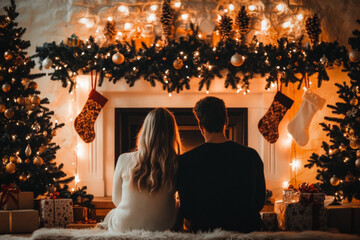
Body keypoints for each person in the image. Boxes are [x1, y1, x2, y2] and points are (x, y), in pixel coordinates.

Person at [176, 96, 266, 233]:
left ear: (201, 126)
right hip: (245, 232)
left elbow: (187, 210)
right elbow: (259, 202)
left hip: (204, 233)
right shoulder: (251, 156)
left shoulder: (185, 161)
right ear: (226, 121)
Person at [102, 107, 182, 232]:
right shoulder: (177, 163)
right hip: (162, 228)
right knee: (177, 204)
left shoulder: (123, 159)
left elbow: (116, 200)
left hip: (124, 227)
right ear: (172, 133)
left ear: (145, 131)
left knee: (113, 213)